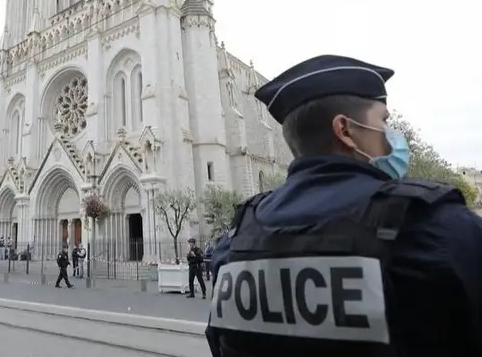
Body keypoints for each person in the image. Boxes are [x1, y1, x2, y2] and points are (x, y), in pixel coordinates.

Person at [206, 55, 482, 356]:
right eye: (384, 121)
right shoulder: (438, 227)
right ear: (345, 130)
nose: (392, 135)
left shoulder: (233, 246)